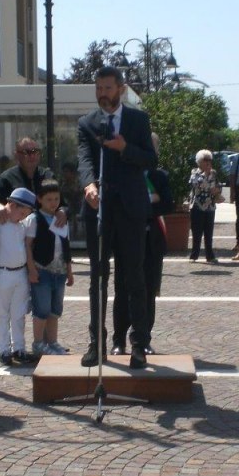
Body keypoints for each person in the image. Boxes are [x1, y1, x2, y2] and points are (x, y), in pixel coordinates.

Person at [76, 65, 157, 370]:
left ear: (121, 89)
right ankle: (96, 344)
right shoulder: (88, 123)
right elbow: (84, 158)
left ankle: (138, 344)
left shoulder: (138, 120)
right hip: (99, 208)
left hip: (131, 209)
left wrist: (126, 148)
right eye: (98, 88)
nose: (102, 94)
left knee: (134, 277)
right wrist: (88, 184)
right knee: (98, 278)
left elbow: (150, 159)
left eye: (107, 88)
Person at [112, 132, 172, 355]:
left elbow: (167, 204)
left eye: (153, 148)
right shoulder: (122, 174)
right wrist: (148, 202)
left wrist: (140, 208)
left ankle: (143, 339)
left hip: (151, 242)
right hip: (126, 241)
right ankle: (119, 340)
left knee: (148, 291)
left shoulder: (160, 176)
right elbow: (118, 205)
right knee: (122, 290)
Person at [0, 187, 37, 367]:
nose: (23, 217)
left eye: (26, 214)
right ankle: (2, 350)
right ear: (12, 205)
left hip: (20, 273)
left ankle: (19, 348)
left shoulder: (21, 225)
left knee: (19, 313)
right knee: (1, 314)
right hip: (1, 273)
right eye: (22, 212)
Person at [25, 180, 73, 357]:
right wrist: (31, 269)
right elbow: (28, 245)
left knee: (55, 310)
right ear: (40, 199)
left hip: (60, 271)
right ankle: (38, 343)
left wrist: (69, 271)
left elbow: (66, 246)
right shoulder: (34, 219)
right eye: (49, 199)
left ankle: (52, 342)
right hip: (42, 269)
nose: (53, 203)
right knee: (42, 309)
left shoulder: (61, 218)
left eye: (56, 199)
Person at [0, 137, 55, 205]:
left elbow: (61, 204)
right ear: (16, 155)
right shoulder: (6, 178)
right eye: (26, 152)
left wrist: (61, 210)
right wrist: (0, 207)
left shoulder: (48, 176)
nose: (32, 156)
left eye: (35, 151)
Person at [188, 149, 222, 264]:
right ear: (199, 161)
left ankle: (210, 256)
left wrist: (217, 190)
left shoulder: (214, 173)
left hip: (210, 206)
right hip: (197, 206)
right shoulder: (194, 172)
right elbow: (196, 183)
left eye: (209, 160)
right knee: (196, 232)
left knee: (209, 232)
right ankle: (194, 255)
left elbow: (219, 185)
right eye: (205, 160)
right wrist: (207, 179)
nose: (208, 162)